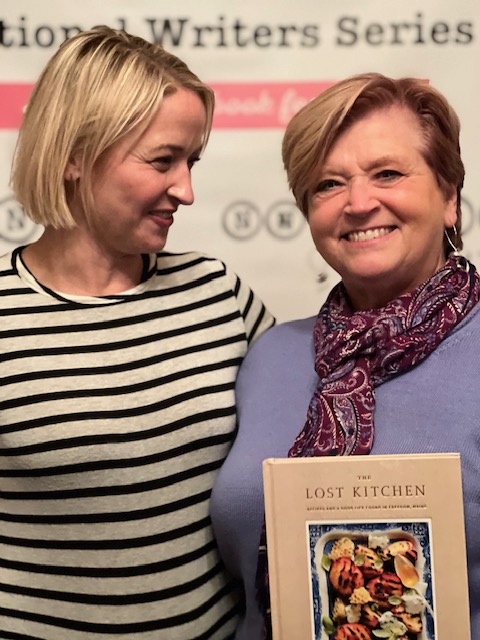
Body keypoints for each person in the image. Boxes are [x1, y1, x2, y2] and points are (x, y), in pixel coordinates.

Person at [0, 25, 274, 640]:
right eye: (162, 160)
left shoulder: (218, 293)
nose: (186, 190)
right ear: (74, 154)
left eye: (191, 161)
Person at [210, 72, 480, 639]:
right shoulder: (269, 357)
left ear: (450, 198)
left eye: (388, 174)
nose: (359, 203)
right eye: (329, 184)